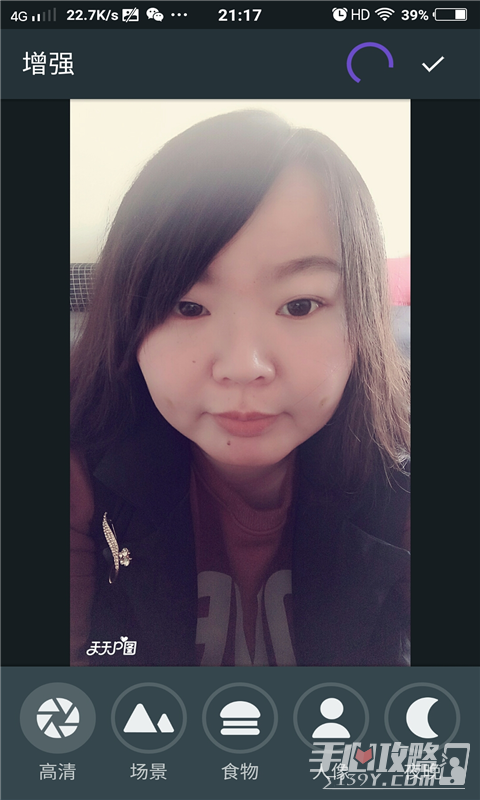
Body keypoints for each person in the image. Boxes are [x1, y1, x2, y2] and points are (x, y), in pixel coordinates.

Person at [70, 109, 410, 667]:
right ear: (129, 322)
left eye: (299, 305)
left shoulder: (402, 476)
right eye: (188, 307)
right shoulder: (80, 470)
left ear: (363, 319)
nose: (244, 366)